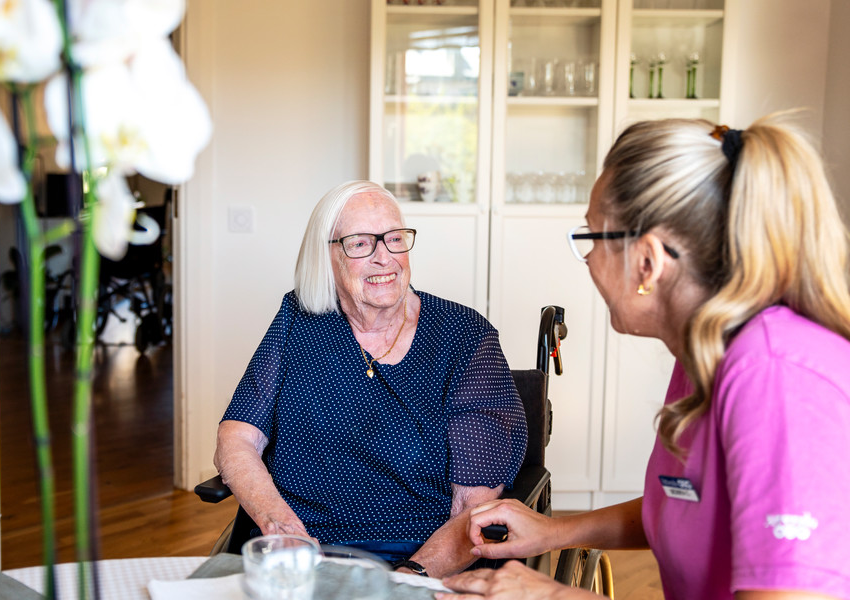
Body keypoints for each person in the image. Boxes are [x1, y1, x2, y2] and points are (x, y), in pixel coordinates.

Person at [440, 114, 850, 600]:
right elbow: (688, 504)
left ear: (648, 262)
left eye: (592, 237)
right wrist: (554, 532)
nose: (588, 259)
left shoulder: (778, 377)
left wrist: (553, 595)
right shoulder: (706, 356)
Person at [213, 180, 527, 578]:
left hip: (416, 557)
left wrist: (408, 579)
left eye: (395, 239)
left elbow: (473, 510)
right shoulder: (298, 318)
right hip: (301, 553)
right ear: (326, 255)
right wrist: (282, 527)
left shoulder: (463, 335)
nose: (385, 258)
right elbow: (237, 435)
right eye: (361, 244)